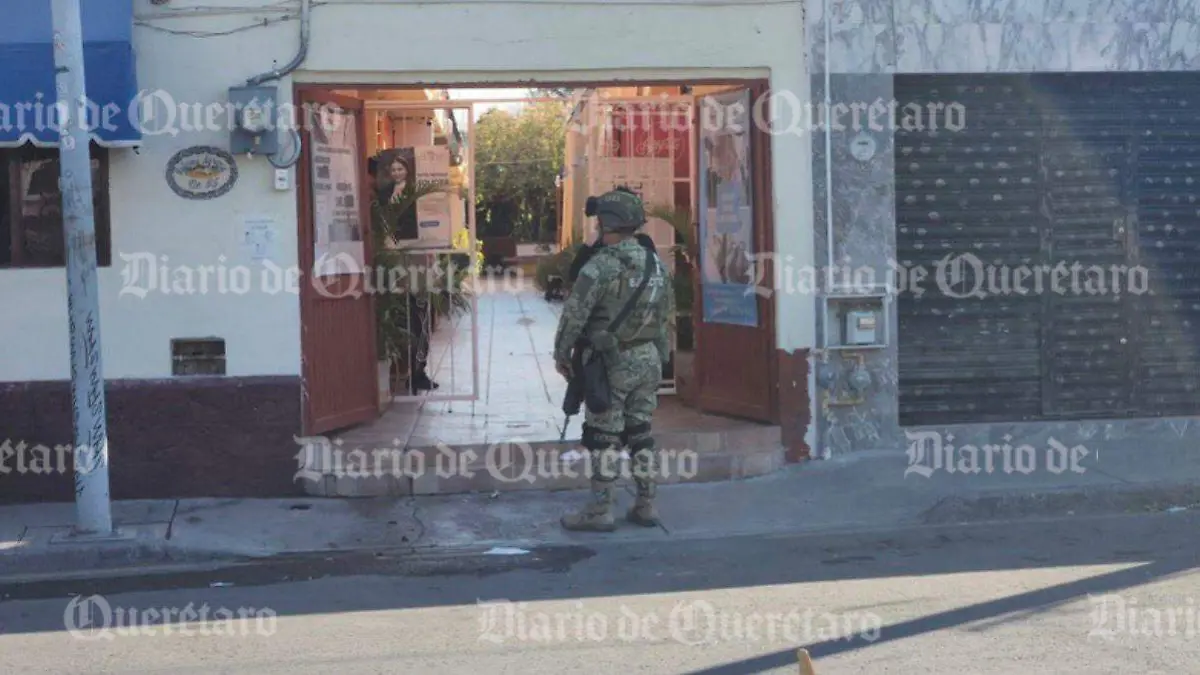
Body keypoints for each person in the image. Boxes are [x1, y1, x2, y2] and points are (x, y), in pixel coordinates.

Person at [553, 188, 673, 532]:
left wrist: (562, 353)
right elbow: (666, 315)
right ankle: (646, 504)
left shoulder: (600, 265)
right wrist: (661, 356)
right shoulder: (655, 263)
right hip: (648, 358)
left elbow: (574, 315)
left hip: (611, 362)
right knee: (640, 432)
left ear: (606, 223)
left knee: (604, 435)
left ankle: (600, 511)